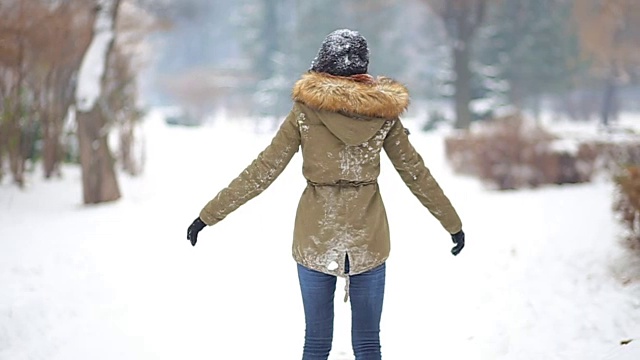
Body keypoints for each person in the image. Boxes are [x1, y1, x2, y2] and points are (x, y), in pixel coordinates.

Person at [186, 29, 465, 360]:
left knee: (316, 342)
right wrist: (452, 223)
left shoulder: (306, 112)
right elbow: (415, 173)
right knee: (368, 342)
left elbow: (264, 169)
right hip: (368, 241)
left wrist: (209, 215)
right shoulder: (383, 115)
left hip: (315, 238)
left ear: (324, 64)